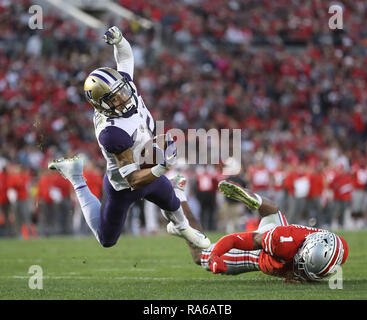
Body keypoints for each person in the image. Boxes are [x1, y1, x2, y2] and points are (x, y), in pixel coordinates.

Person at [48, 26, 210, 250]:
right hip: (124, 185)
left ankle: (183, 228)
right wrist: (162, 167)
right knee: (107, 240)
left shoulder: (125, 87)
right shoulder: (112, 133)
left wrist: (119, 40)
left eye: (122, 91)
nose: (124, 97)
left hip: (146, 160)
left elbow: (125, 58)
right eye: (115, 98)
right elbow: (133, 180)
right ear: (101, 105)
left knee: (172, 202)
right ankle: (76, 177)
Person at [197, 180, 349, 282]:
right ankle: (179, 208)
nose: (302, 266)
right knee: (199, 255)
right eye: (303, 261)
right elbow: (236, 239)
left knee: (274, 212)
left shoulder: (338, 247)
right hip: (261, 254)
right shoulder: (283, 242)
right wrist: (215, 255)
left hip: (283, 232)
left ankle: (257, 200)